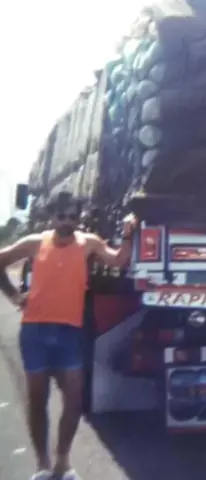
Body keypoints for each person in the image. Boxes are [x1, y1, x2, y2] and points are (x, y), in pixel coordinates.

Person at [0, 191, 137, 480]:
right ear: (52, 217)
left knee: (74, 401)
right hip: (35, 331)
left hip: (70, 333)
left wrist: (128, 234)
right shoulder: (35, 242)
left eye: (73, 216)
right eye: (61, 216)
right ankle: (42, 466)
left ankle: (63, 463)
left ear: (79, 217)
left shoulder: (89, 243)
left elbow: (117, 261)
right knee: (38, 400)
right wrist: (13, 296)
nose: (67, 222)